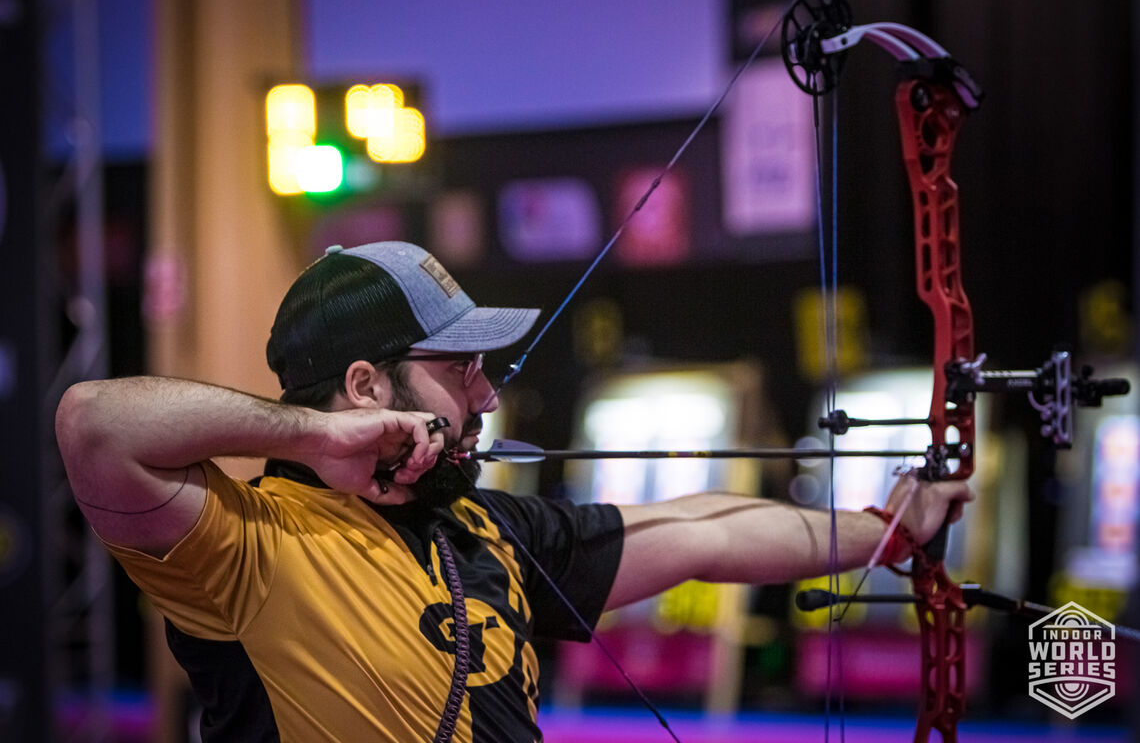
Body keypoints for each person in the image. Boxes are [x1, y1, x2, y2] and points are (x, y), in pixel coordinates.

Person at [55, 241, 973, 742]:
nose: (487, 394)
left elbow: (704, 531)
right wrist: (317, 436)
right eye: (462, 368)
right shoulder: (247, 543)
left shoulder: (486, 531)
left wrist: (886, 530)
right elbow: (95, 423)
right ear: (368, 386)